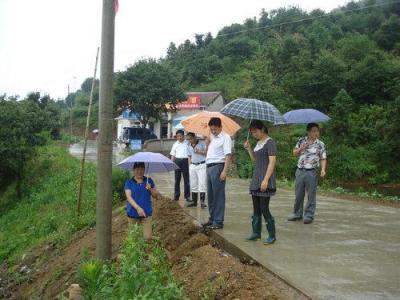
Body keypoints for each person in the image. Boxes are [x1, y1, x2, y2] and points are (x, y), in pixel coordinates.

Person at [244, 120, 277, 245]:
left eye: (255, 131)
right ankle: (256, 233)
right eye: (252, 132)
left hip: (265, 178)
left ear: (262, 129)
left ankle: (272, 235)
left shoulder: (270, 143)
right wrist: (249, 149)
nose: (254, 134)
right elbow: (255, 161)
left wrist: (266, 180)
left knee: (264, 208)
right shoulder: (258, 143)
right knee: (256, 208)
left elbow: (272, 162)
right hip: (256, 178)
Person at [288, 123, 327, 224]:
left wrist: (323, 169)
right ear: (308, 132)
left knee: (311, 194)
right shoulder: (301, 140)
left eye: (317, 131)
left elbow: (323, 158)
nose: (316, 133)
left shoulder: (320, 144)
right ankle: (297, 214)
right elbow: (294, 153)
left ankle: (309, 215)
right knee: (298, 194)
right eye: (314, 131)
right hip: (300, 170)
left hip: (312, 171)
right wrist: (301, 148)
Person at [203, 117, 232, 230]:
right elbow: (208, 154)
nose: (213, 131)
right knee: (210, 195)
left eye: (215, 129)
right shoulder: (211, 138)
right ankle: (212, 218)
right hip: (209, 167)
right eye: (211, 129)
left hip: (218, 167)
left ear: (220, 127)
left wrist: (225, 171)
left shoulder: (226, 137)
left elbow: (228, 155)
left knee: (218, 195)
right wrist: (207, 144)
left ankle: (218, 221)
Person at [124, 162, 159, 240]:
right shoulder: (129, 182)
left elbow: (156, 196)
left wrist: (150, 188)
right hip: (133, 213)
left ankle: (149, 240)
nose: (140, 171)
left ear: (144, 170)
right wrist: (138, 208)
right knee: (133, 238)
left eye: (142, 169)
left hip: (146, 213)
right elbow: (128, 197)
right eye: (137, 169)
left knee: (147, 237)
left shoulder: (148, 181)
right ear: (134, 170)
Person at [187, 132, 207, 208]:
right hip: (193, 166)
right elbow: (189, 156)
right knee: (193, 184)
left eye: (191, 138)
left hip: (202, 165)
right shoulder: (188, 145)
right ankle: (194, 202)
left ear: (194, 137)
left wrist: (200, 152)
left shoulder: (202, 143)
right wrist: (190, 165)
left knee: (202, 183)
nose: (190, 140)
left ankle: (202, 202)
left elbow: (207, 153)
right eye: (188, 139)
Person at [170, 130, 191, 202]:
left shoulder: (188, 143)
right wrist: (171, 163)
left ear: (183, 136)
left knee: (186, 180)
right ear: (176, 137)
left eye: (181, 136)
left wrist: (190, 164)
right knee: (177, 180)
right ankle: (176, 196)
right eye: (178, 136)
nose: (179, 137)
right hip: (177, 162)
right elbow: (173, 155)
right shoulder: (175, 144)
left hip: (185, 161)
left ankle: (187, 196)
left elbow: (190, 155)